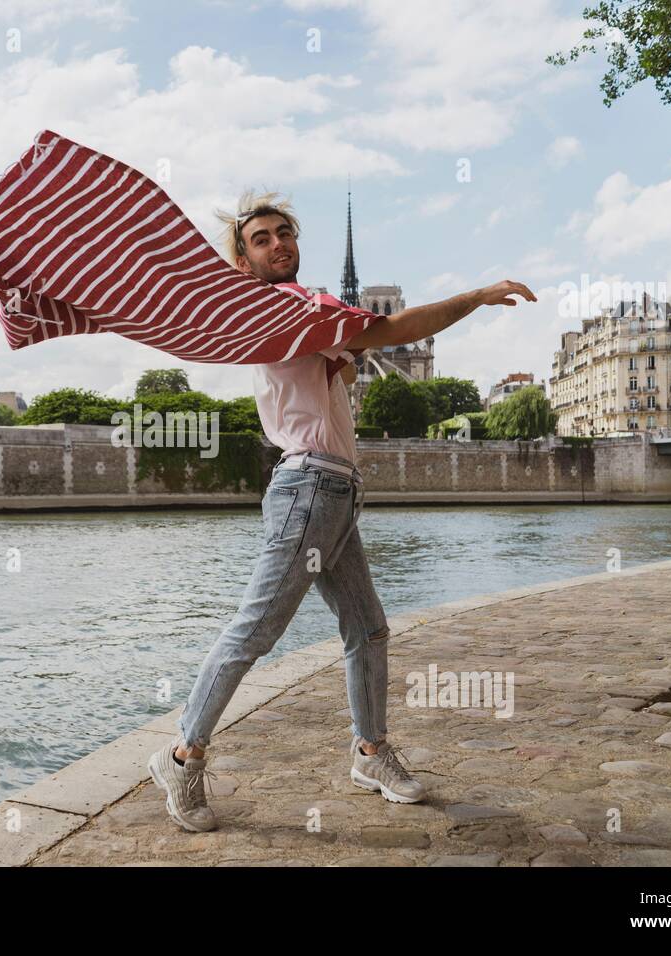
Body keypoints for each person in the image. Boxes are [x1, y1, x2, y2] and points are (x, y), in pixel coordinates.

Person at [148, 190, 535, 831]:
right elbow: (395, 330)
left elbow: (338, 371)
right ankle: (181, 754)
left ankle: (370, 752)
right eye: (262, 239)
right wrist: (477, 296)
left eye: (284, 233)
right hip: (308, 492)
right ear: (244, 262)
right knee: (255, 631)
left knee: (368, 628)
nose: (279, 244)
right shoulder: (276, 307)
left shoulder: (301, 312)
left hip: (336, 491)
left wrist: (343, 365)